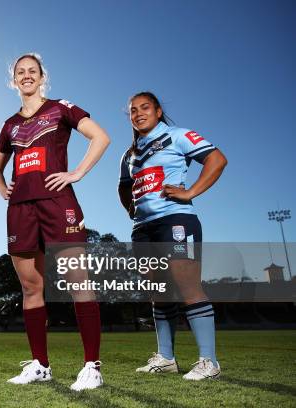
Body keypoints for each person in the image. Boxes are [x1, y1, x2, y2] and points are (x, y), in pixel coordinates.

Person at [0, 53, 110, 391]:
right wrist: (2, 189)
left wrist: (77, 173)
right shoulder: (9, 124)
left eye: (32, 71)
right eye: (20, 72)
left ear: (42, 77)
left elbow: (100, 137)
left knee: (78, 281)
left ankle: (92, 366)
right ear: (14, 81)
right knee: (31, 287)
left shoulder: (61, 108)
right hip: (21, 209)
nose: (26, 76)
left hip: (59, 203)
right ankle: (40, 365)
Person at [118, 91, 227, 380]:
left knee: (187, 284)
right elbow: (123, 187)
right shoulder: (129, 155)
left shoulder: (177, 135)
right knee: (159, 292)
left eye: (145, 107)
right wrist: (131, 207)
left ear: (157, 111)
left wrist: (190, 191)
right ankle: (166, 357)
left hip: (176, 220)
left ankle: (209, 362)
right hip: (143, 229)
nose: (139, 113)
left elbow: (217, 160)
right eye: (132, 110)